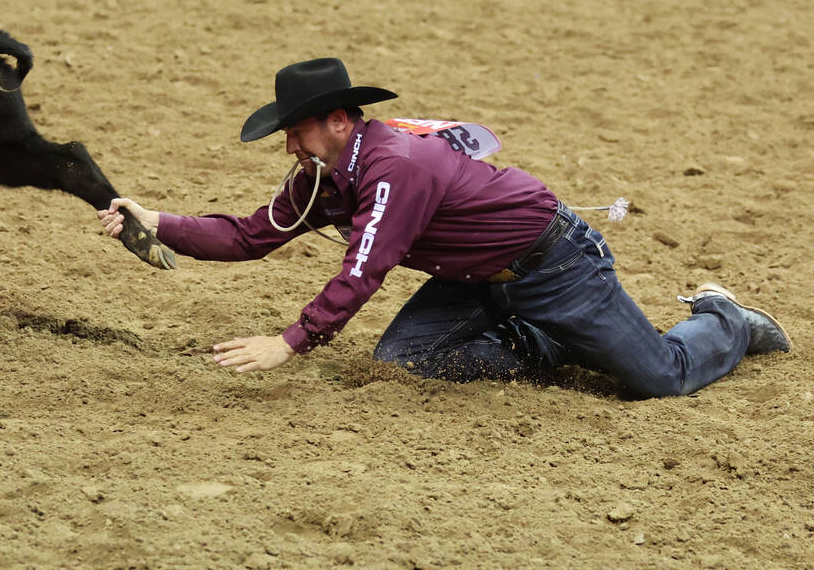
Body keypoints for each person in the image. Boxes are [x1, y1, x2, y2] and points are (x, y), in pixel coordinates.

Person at [97, 58, 790, 398]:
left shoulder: (394, 166)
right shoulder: (326, 176)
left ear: (338, 120)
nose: (291, 147)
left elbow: (365, 268)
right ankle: (552, 343)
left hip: (554, 266)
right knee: (404, 364)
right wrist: (153, 219)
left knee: (660, 379)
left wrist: (291, 342)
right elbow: (250, 235)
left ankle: (723, 316)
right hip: (475, 279)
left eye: (297, 131)